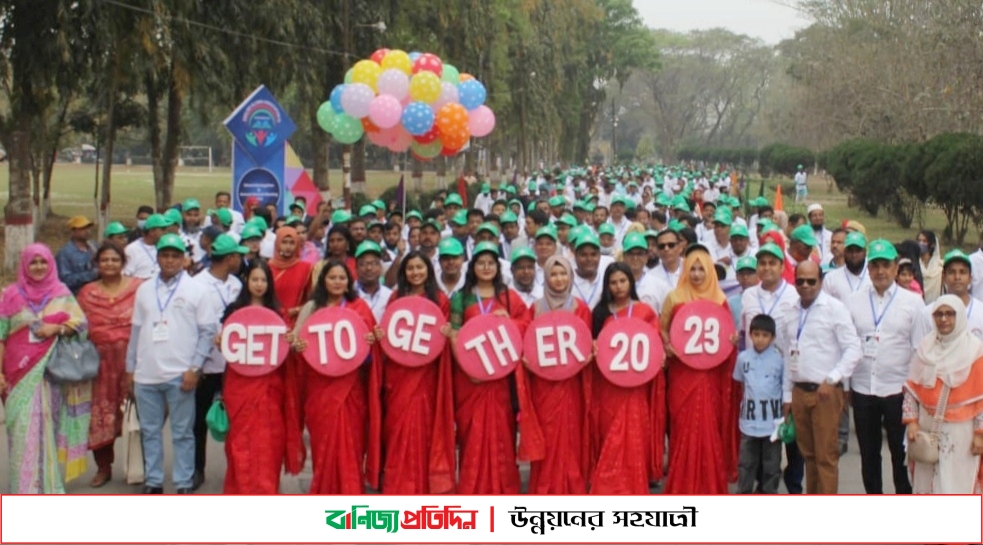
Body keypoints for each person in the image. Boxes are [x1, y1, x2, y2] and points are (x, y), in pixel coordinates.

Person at [125, 234, 213, 494]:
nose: (170, 260)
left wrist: (194, 369)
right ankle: (153, 481)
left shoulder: (197, 289)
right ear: (158, 257)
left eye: (176, 255)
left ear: (184, 259)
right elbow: (136, 331)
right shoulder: (144, 289)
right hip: (146, 374)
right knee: (150, 431)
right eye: (165, 255)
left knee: (182, 432)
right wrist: (130, 369)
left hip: (180, 373)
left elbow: (207, 333)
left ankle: (183, 481)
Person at [1, 244, 88, 493]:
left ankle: (48, 487)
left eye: (43, 262)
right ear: (25, 265)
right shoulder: (11, 295)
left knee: (46, 430)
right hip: (17, 375)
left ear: (51, 264)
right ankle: (24, 489)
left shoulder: (61, 293)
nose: (38, 267)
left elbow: (82, 326)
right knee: (21, 434)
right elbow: (1, 336)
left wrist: (56, 328)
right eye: (33, 262)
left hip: (50, 373)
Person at [446, 242, 531, 494]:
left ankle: (504, 490)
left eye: (491, 263)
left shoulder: (507, 295)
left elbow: (527, 323)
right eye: (481, 262)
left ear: (498, 267)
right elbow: (454, 335)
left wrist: (511, 322)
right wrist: (468, 368)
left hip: (500, 380)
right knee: (472, 438)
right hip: (470, 381)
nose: (486, 267)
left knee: (502, 436)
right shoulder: (461, 298)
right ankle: (473, 491)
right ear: (473, 267)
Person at [291, 259, 382, 494]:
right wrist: (298, 347)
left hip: (351, 389)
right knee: (323, 446)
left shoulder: (360, 307)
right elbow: (297, 347)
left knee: (351, 445)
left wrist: (372, 344)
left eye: (342, 278)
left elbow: (371, 355)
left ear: (349, 282)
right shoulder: (312, 308)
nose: (337, 282)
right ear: (323, 281)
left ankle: (351, 494)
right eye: (332, 277)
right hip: (320, 390)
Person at [845, 239, 922, 494]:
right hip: (863, 388)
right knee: (869, 454)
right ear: (868, 269)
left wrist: (914, 395)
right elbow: (847, 346)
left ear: (896, 268)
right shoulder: (854, 302)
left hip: (897, 390)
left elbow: (918, 350)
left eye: (886, 265)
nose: (880, 271)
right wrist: (846, 387)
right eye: (875, 265)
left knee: (900, 454)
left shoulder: (912, 303)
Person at [660, 245, 736, 494]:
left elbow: (727, 336)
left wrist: (732, 342)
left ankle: (709, 485)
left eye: (701, 269)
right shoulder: (674, 296)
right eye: (691, 268)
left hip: (710, 375)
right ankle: (682, 486)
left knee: (708, 428)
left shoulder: (720, 299)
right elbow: (662, 329)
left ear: (710, 271)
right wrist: (668, 345)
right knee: (682, 428)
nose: (696, 274)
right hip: (683, 375)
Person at [782, 261, 862, 494]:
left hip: (825, 393)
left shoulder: (834, 309)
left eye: (811, 281)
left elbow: (853, 349)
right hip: (799, 392)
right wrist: (787, 395)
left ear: (821, 281)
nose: (805, 285)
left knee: (826, 457)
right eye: (800, 281)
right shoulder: (791, 311)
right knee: (808, 455)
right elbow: (788, 355)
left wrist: (832, 379)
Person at [515, 256, 593, 494]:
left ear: (570, 277)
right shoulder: (536, 308)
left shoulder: (580, 308)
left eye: (563, 274)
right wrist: (526, 360)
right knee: (546, 436)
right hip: (543, 386)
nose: (559, 279)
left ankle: (572, 488)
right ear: (546, 277)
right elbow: (525, 339)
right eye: (554, 274)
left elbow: (586, 342)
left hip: (571, 385)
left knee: (571, 436)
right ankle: (544, 488)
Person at [379, 251, 456, 493]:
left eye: (419, 267)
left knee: (424, 432)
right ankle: (397, 486)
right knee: (397, 431)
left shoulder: (441, 299)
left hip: (427, 376)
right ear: (404, 273)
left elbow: (446, 337)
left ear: (428, 271)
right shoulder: (395, 297)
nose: (415, 272)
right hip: (399, 376)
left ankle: (423, 488)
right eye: (410, 268)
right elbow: (389, 334)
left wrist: (447, 334)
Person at [589, 262, 665, 494]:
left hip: (636, 386)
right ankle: (608, 487)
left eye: (623, 281)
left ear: (631, 283)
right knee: (610, 435)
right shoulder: (600, 313)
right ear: (607, 285)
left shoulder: (644, 311)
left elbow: (655, 343)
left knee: (635, 436)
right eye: (613, 282)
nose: (619, 286)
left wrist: (660, 355)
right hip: (608, 387)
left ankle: (633, 486)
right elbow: (591, 345)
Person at [78, 243, 143, 488]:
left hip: (132, 365)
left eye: (114, 260)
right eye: (104, 260)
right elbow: (78, 326)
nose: (109, 264)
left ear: (123, 262)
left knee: (135, 417)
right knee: (101, 418)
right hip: (99, 368)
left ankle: (136, 466)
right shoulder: (87, 293)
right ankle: (103, 468)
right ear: (97, 263)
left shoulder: (138, 289)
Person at [220, 261, 289, 494]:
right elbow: (227, 348)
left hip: (269, 387)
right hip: (239, 386)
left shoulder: (278, 313)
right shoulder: (233, 311)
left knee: (268, 442)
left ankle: (266, 490)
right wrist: (220, 342)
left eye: (263, 280)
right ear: (246, 281)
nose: (259, 285)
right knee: (239, 442)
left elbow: (285, 353)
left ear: (269, 283)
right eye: (254, 279)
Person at [903, 295, 983, 494]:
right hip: (927, 426)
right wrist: (912, 422)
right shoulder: (925, 347)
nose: (944, 319)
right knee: (927, 482)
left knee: (955, 484)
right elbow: (912, 390)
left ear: (960, 317)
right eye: (939, 314)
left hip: (961, 434)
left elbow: (981, 399)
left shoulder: (975, 350)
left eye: (950, 314)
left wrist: (980, 435)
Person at [191, 234, 246, 490]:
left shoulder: (236, 284)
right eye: (238, 255)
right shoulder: (197, 284)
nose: (241, 259)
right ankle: (196, 469)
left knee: (235, 419)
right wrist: (195, 364)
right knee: (198, 419)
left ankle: (235, 470)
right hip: (206, 363)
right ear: (230, 258)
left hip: (234, 364)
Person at [267, 226, 313, 476]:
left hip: (296, 339)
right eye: (283, 242)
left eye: (291, 243)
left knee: (295, 396)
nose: (286, 248)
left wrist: (295, 314)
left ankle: (294, 449)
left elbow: (313, 301)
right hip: (269, 339)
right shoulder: (265, 268)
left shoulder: (306, 270)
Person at [734, 314, 785, 494]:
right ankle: (744, 494)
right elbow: (740, 384)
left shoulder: (779, 360)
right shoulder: (743, 358)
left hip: (772, 424)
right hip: (748, 423)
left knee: (771, 466)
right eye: (756, 334)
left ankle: (768, 494)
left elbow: (784, 388)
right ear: (750, 335)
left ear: (772, 338)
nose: (760, 339)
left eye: (765, 335)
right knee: (746, 464)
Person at [56, 216, 99, 294]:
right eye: (82, 228)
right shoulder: (65, 253)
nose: (87, 231)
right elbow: (65, 280)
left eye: (88, 228)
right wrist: (92, 275)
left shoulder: (94, 247)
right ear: (73, 231)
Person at [354, 241, 392, 323]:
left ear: (380, 267)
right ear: (356, 268)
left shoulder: (389, 295)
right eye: (363, 264)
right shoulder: (349, 294)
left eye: (374, 263)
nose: (369, 268)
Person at [124, 213, 170, 279]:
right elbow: (125, 277)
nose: (166, 232)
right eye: (163, 229)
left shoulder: (163, 247)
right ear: (151, 231)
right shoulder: (132, 249)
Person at [918, 230, 943, 304]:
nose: (920, 244)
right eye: (919, 241)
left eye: (924, 241)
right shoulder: (914, 265)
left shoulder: (940, 267)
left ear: (932, 244)